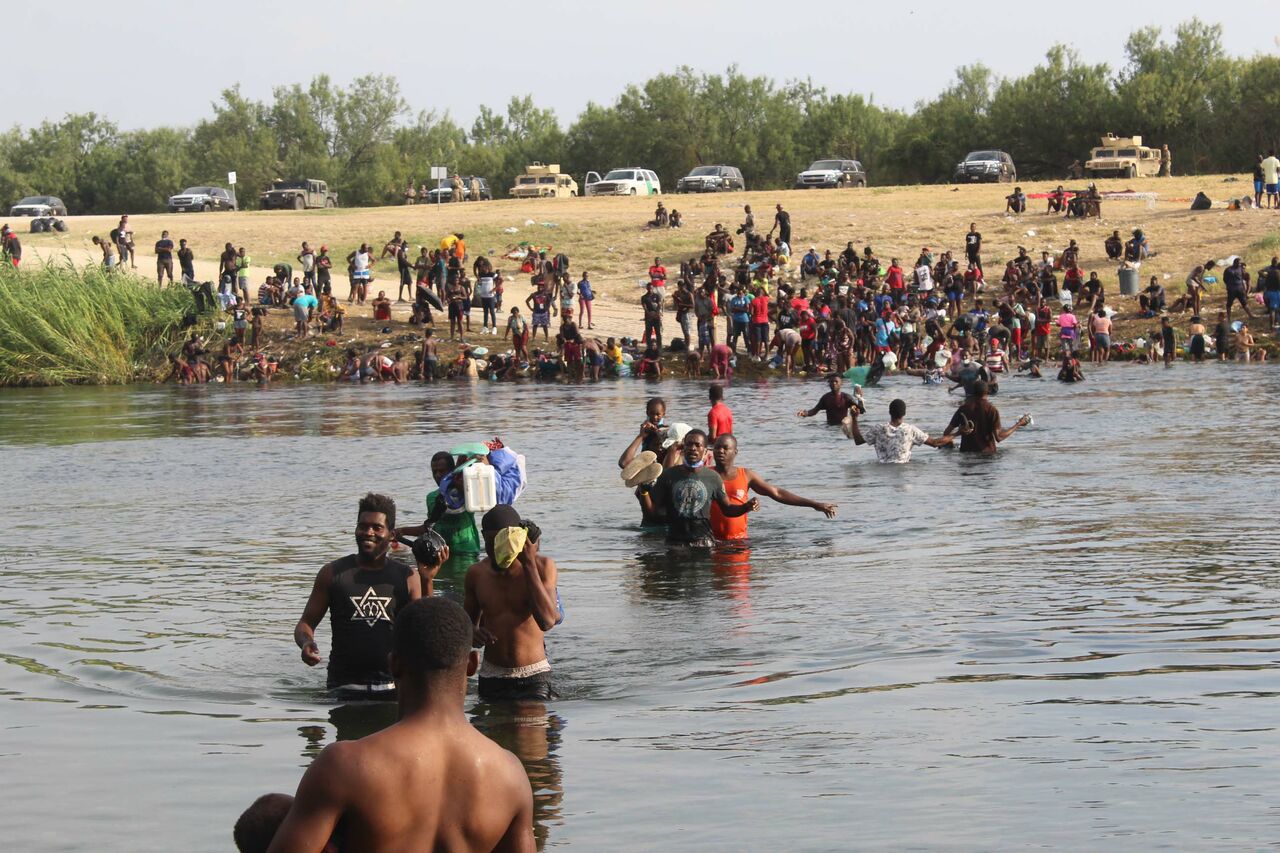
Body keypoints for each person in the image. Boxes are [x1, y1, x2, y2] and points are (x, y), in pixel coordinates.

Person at [267, 597, 535, 852]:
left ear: (393, 664)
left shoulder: (345, 765)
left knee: (265, 815)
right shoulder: (510, 775)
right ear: (472, 664)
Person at [292, 494, 420, 698]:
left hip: (392, 689)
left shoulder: (408, 577)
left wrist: (428, 580)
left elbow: (421, 631)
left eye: (377, 527)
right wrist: (307, 643)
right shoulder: (332, 573)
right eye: (363, 526)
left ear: (392, 534)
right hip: (342, 688)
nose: (368, 532)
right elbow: (305, 623)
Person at [464, 505, 560, 701]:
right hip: (492, 674)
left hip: (533, 674)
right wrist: (473, 632)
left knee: (531, 719)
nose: (496, 550)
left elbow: (547, 621)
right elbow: (465, 628)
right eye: (490, 542)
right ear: (483, 538)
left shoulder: (542, 566)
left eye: (502, 542)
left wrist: (529, 563)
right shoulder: (476, 574)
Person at [639, 429, 758, 548]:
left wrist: (746, 507)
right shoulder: (669, 475)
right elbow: (652, 513)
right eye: (689, 444)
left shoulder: (712, 477)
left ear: (705, 451)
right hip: (676, 543)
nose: (693, 448)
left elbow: (727, 509)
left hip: (704, 543)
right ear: (683, 448)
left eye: (698, 445)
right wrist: (644, 491)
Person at [709, 434, 835, 540]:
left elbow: (777, 493)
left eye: (725, 448)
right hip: (712, 541)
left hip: (740, 541)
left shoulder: (746, 475)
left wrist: (814, 504)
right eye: (717, 447)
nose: (720, 451)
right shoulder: (705, 475)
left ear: (735, 452)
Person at [844, 399, 955, 463]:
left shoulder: (878, 429)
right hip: (904, 471)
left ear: (889, 412)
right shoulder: (910, 430)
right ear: (904, 413)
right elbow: (935, 443)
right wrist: (957, 433)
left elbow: (858, 441)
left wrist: (854, 418)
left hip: (883, 470)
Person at [943, 380, 1029, 455]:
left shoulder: (963, 408)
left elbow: (946, 432)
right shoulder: (991, 410)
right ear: (988, 392)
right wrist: (1018, 424)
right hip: (987, 455)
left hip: (966, 454)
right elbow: (999, 437)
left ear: (973, 392)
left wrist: (951, 443)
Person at [797, 374, 861, 425]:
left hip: (843, 427)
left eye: (836, 381)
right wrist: (805, 413)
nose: (834, 383)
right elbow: (814, 410)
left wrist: (860, 398)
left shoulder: (846, 397)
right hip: (829, 427)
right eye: (832, 382)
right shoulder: (826, 398)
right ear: (829, 384)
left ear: (841, 384)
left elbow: (861, 410)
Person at [1223, 257, 1254, 322]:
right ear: (1234, 263)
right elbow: (1225, 279)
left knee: (1244, 303)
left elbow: (1244, 277)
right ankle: (1229, 319)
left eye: (1240, 263)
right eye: (1238, 263)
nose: (1239, 264)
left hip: (1239, 289)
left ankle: (1251, 316)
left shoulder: (1240, 269)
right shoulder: (1228, 270)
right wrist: (1229, 285)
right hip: (1232, 290)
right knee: (1229, 304)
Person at [640, 282, 664, 351]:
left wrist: (656, 313)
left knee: (658, 332)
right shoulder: (644, 297)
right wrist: (649, 314)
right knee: (648, 333)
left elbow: (659, 305)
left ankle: (659, 347)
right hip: (648, 317)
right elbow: (644, 307)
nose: (650, 289)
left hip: (656, 316)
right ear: (646, 288)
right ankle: (649, 347)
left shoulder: (657, 296)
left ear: (653, 288)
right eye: (649, 288)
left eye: (651, 288)